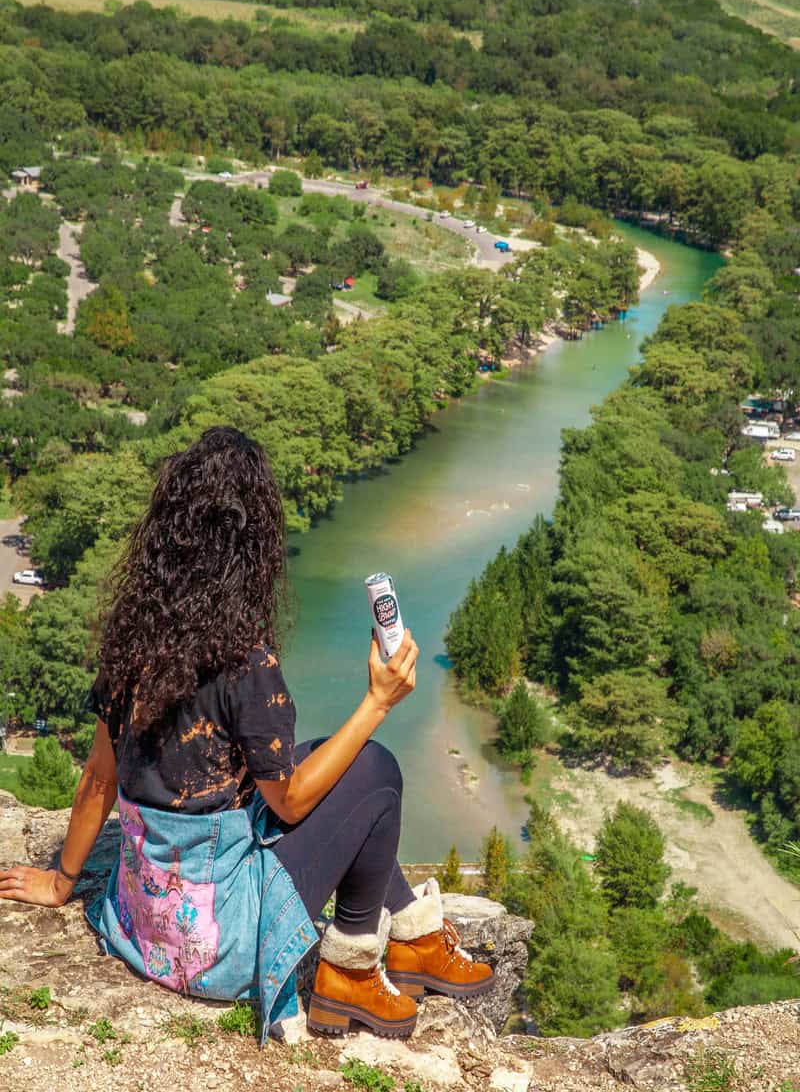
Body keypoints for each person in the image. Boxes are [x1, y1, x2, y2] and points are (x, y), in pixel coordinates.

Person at [0, 427, 494, 1042]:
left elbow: (99, 778)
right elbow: (287, 802)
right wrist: (378, 701)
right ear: (252, 544)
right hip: (218, 945)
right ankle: (350, 974)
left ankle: (414, 937)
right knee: (376, 771)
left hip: (141, 924)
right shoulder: (244, 663)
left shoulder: (133, 640)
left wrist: (61, 881)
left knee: (319, 760)